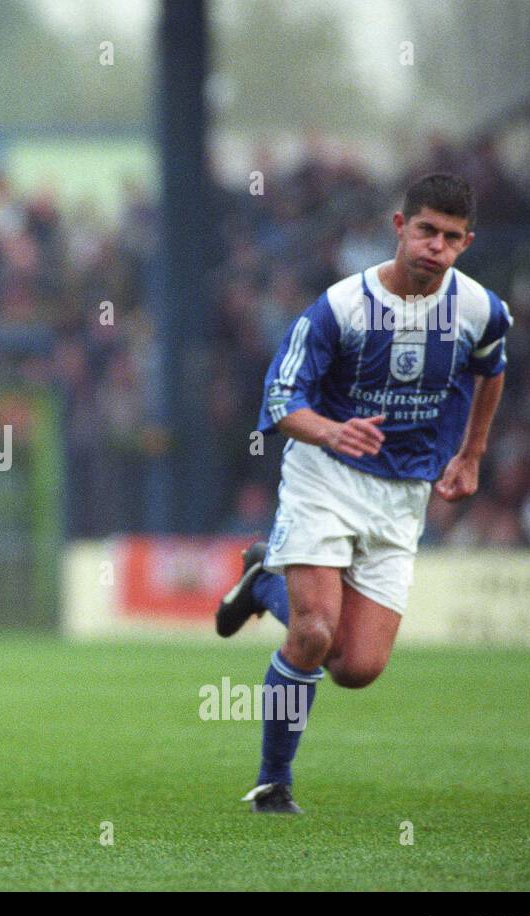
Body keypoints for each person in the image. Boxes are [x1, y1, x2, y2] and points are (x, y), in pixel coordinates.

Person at [215, 174, 509, 813]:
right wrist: (331, 430)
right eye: (426, 230)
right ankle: (273, 782)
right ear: (400, 227)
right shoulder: (340, 306)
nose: (436, 246)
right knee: (316, 634)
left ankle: (264, 578)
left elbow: (492, 366)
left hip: (404, 494)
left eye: (451, 237)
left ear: (466, 243)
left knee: (357, 668)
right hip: (325, 476)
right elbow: (278, 399)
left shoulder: (480, 308)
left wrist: (473, 453)